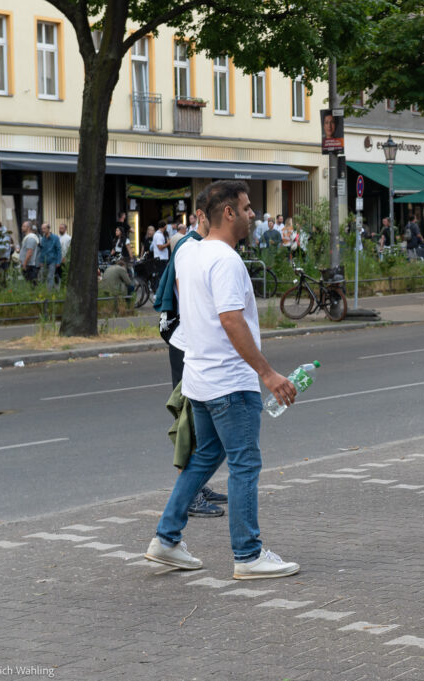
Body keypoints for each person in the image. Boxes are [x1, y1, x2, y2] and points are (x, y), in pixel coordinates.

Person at [144, 180, 300, 579]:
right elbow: (231, 321)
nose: (253, 215)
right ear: (228, 213)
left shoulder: (189, 253)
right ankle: (248, 555)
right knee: (245, 464)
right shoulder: (226, 261)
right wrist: (267, 373)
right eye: (246, 208)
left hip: (199, 379)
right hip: (230, 382)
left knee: (205, 457)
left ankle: (166, 539)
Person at [154, 187, 228, 518]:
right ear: (201, 216)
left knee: (201, 420)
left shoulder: (204, 245)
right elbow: (190, 301)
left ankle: (197, 483)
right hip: (186, 341)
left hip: (191, 340)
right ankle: (191, 493)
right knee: (190, 420)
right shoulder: (190, 248)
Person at [38, 222, 62, 290]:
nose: (43, 230)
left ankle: (49, 292)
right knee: (42, 276)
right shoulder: (43, 239)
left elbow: (58, 250)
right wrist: (41, 261)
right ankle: (45, 290)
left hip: (52, 260)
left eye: (44, 228)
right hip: (44, 260)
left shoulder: (55, 238)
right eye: (42, 229)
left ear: (48, 229)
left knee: (50, 276)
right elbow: (42, 250)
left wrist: (58, 261)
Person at [151, 220, 170, 288]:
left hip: (161, 257)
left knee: (160, 275)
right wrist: (168, 244)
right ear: (164, 226)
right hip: (161, 258)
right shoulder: (159, 235)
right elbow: (160, 247)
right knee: (161, 275)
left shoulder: (160, 234)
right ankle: (158, 290)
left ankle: (158, 289)